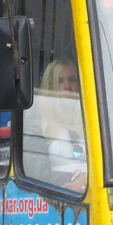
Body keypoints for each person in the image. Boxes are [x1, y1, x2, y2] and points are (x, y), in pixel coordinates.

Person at [39, 59, 86, 192]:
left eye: (72, 80)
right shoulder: (38, 125)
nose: (67, 86)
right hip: (56, 196)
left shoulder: (93, 121)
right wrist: (72, 178)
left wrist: (86, 180)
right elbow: (36, 172)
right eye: (60, 81)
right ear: (51, 86)